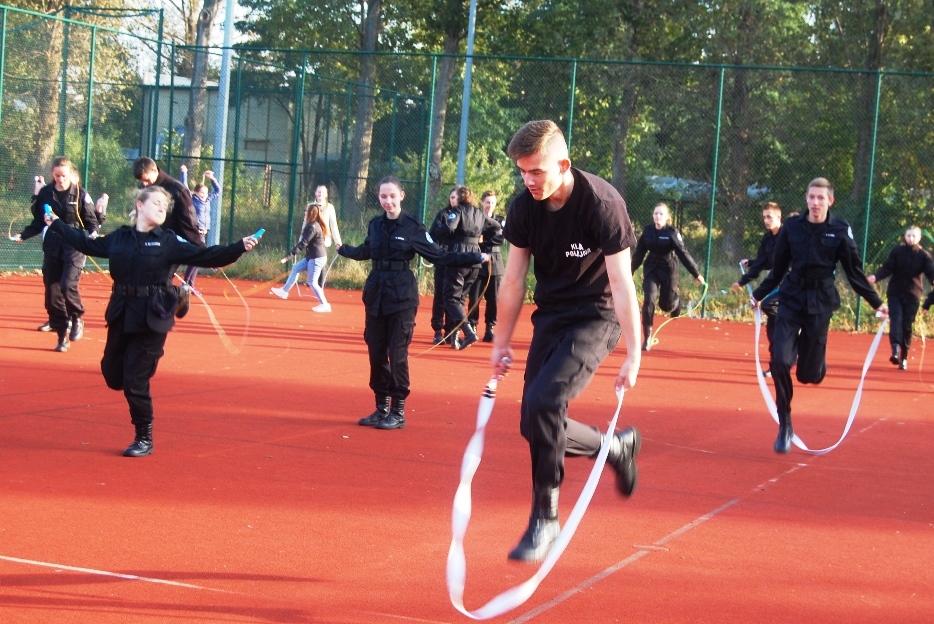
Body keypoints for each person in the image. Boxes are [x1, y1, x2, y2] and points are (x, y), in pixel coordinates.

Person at [492, 120, 642, 563]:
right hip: (553, 315)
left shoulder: (602, 204)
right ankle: (614, 447)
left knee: (545, 405)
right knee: (532, 423)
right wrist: (501, 341)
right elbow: (514, 279)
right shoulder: (524, 208)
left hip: (597, 315)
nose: (528, 180)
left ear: (563, 163)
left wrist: (634, 353)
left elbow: (622, 285)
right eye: (522, 171)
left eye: (536, 171)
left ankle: (546, 519)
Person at [44, 185, 259, 456]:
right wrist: (56, 224)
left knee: (135, 380)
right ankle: (177, 300)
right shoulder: (120, 237)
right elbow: (87, 243)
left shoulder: (168, 241)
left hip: (153, 314)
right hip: (122, 311)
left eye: (164, 205)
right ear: (139, 205)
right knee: (112, 375)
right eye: (156, 202)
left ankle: (143, 437)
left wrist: (240, 246)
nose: (161, 208)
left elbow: (207, 256)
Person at [337, 177, 488, 430]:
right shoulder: (375, 225)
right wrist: (345, 250)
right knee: (376, 352)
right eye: (383, 197)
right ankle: (381, 407)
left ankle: (398, 411)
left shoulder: (413, 227)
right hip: (376, 293)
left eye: (392, 196)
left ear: (402, 196)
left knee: (397, 354)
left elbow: (439, 256)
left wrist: (474, 257)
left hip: (401, 296)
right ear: (379, 197)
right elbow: (366, 251)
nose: (388, 201)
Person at [751, 178, 887, 453]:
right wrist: (759, 294)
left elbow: (854, 272)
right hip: (791, 298)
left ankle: (814, 360)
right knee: (779, 361)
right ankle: (785, 423)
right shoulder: (791, 227)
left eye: (820, 198)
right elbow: (778, 269)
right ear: (806, 198)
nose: (815, 203)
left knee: (808, 375)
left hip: (820, 302)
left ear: (830, 201)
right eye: (811, 197)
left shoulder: (839, 230)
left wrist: (876, 303)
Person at [12, 157, 101, 352]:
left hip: (74, 243)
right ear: (52, 175)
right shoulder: (46, 193)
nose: (60, 179)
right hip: (53, 245)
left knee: (67, 285)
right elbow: (39, 221)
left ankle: (77, 316)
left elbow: (91, 220)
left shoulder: (80, 194)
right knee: (52, 293)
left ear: (71, 174)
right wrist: (24, 235)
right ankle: (62, 335)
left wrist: (93, 232)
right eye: (56, 176)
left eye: (63, 176)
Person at [434, 186, 503, 349]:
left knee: (451, 298)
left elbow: (450, 227)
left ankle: (468, 331)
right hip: (475, 260)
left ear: (459, 198)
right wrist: (483, 240)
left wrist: (440, 231)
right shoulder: (479, 213)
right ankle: (456, 335)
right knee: (461, 299)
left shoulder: (457, 211)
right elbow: (495, 226)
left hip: (458, 258)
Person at [133, 157, 202, 318]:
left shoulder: (177, 189)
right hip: (148, 241)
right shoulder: (144, 188)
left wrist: (199, 247)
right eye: (141, 181)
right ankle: (170, 300)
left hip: (171, 244)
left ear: (155, 171)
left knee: (160, 279)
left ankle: (173, 300)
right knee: (143, 277)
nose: (144, 184)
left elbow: (189, 221)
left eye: (146, 180)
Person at [631, 202, 705, 351]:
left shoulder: (672, 233)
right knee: (648, 300)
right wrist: (630, 270)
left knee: (665, 305)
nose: (657, 216)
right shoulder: (648, 232)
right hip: (652, 268)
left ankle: (676, 302)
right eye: (655, 214)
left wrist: (696, 273)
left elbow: (683, 253)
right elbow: (639, 253)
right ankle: (647, 337)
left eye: (661, 214)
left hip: (669, 269)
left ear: (667, 218)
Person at [867, 226, 934, 370]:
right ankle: (895, 349)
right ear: (905, 236)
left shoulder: (924, 255)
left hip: (913, 295)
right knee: (896, 320)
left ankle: (904, 356)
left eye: (914, 236)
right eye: (909, 236)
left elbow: (930, 272)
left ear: (919, 238)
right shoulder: (897, 251)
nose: (911, 238)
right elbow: (888, 268)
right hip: (895, 293)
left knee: (907, 326)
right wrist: (876, 277)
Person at [732, 202, 783, 375]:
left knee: (767, 304)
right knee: (772, 328)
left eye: (770, 217)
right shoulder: (767, 238)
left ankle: (794, 333)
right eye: (764, 217)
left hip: (792, 284)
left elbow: (780, 268)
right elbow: (764, 262)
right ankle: (775, 366)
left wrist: (757, 295)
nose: (766, 220)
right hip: (776, 284)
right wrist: (742, 281)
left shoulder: (788, 236)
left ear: (779, 217)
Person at [271, 202, 332, 312]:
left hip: (317, 258)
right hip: (312, 257)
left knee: (312, 282)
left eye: (306, 211)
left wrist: (288, 256)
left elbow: (303, 243)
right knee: (296, 268)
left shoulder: (313, 227)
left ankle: (325, 304)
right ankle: (284, 291)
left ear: (311, 214)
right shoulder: (313, 225)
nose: (305, 213)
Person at [467, 190, 506, 343]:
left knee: (493, 298)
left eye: (492, 202)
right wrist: (486, 239)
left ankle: (490, 328)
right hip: (477, 260)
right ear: (482, 203)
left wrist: (485, 240)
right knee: (474, 296)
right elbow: (473, 237)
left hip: (495, 262)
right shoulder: (476, 219)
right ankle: (472, 325)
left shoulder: (501, 220)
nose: (490, 205)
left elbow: (502, 238)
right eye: (487, 202)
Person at [179, 165, 221, 289]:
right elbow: (184, 187)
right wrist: (184, 173)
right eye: (202, 192)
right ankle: (186, 283)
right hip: (195, 232)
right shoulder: (192, 200)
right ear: (196, 192)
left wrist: (212, 179)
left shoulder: (207, 200)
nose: (204, 195)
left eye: (205, 193)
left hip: (203, 232)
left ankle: (190, 284)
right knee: (198, 257)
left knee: (197, 259)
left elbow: (218, 191)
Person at [428, 188, 460, 344]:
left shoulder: (465, 215)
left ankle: (450, 330)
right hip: (443, 261)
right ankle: (438, 330)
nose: (455, 200)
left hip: (458, 262)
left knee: (454, 297)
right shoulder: (443, 215)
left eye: (457, 197)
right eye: (452, 197)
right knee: (440, 296)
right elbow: (432, 235)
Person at [314, 185, 342, 287]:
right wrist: (301, 239)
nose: (320, 194)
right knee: (309, 262)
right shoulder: (310, 206)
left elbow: (334, 225)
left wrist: (338, 242)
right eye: (319, 192)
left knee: (320, 262)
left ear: (326, 195)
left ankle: (320, 284)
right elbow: (306, 223)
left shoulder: (330, 207)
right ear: (315, 193)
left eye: (323, 192)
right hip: (310, 240)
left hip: (323, 240)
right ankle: (313, 282)